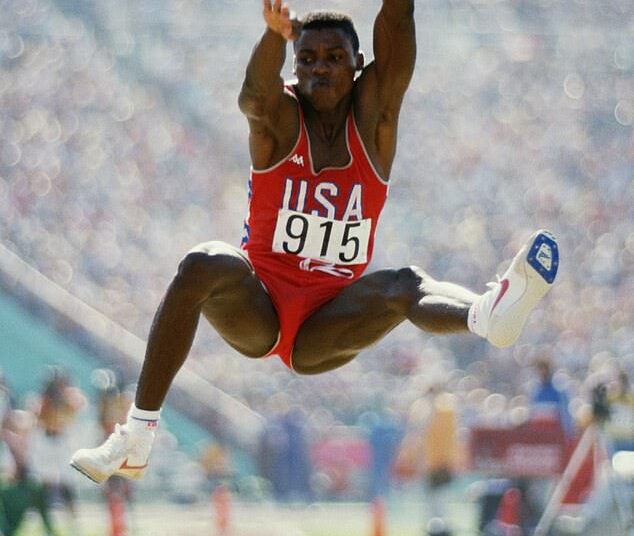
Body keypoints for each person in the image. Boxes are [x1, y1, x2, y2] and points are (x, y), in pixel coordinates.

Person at [70, 0, 559, 484]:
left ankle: (485, 316)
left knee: (404, 284)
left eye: (332, 58)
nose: (318, 69)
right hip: (259, 306)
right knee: (203, 263)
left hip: (327, 322)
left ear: (359, 65)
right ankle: (137, 434)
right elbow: (252, 99)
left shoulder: (375, 121)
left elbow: (397, 17)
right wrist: (273, 36)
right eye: (306, 59)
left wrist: (331, 26)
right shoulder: (280, 118)